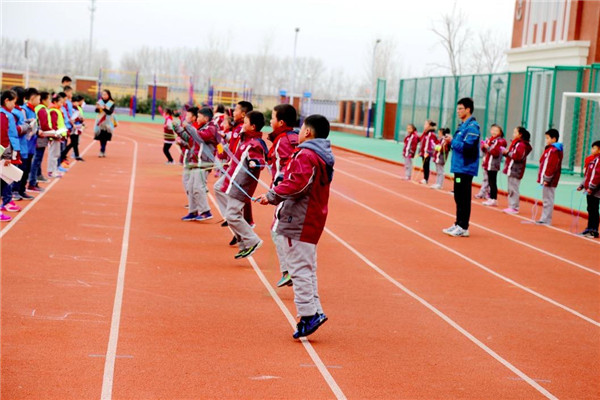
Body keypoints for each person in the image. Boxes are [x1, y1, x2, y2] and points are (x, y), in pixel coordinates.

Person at [257, 114, 334, 339]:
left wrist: (272, 195)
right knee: (307, 269)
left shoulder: (307, 155)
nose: (298, 133)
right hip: (310, 217)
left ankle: (308, 315)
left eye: (301, 129)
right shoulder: (320, 155)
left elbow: (297, 184)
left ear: (308, 132)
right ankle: (315, 311)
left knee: (299, 269)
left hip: (299, 219)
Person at [218, 110, 267, 259]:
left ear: (252, 127)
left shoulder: (254, 144)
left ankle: (252, 240)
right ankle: (244, 244)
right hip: (235, 182)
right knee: (232, 214)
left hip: (242, 185)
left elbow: (260, 161)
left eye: (245, 123)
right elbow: (239, 158)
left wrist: (255, 163)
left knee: (231, 215)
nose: (242, 125)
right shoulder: (245, 140)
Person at [266, 104, 299, 288]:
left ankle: (289, 271)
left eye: (271, 117)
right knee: (283, 230)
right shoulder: (291, 138)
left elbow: (289, 164)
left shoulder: (283, 141)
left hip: (284, 191)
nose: (269, 121)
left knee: (277, 230)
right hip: (286, 190)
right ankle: (291, 270)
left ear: (280, 122)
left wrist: (278, 186)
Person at [443, 97, 481, 237]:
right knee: (458, 195)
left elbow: (468, 147)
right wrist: (449, 142)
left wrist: (452, 142)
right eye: (457, 108)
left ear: (468, 109)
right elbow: (457, 146)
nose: (458, 111)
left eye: (460, 109)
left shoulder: (472, 127)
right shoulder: (461, 127)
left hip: (466, 168)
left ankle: (464, 226)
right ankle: (458, 223)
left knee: (464, 197)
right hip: (458, 168)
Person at [175, 107, 218, 222]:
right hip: (196, 162)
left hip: (204, 163)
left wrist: (187, 126)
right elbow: (190, 139)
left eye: (199, 116)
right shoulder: (200, 128)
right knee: (191, 186)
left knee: (199, 187)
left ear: (206, 118)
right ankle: (193, 211)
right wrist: (178, 129)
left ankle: (205, 211)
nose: (197, 119)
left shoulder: (212, 128)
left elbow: (199, 136)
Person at [0, 90, 22, 217]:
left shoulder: (6, 114)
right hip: (3, 152)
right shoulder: (4, 116)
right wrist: (7, 156)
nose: (15, 105)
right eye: (13, 102)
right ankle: (6, 201)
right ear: (6, 100)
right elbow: (3, 137)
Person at [502, 126, 532, 214]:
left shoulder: (521, 144)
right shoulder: (516, 143)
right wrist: (506, 153)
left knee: (513, 188)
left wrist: (507, 153)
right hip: (511, 168)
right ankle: (511, 205)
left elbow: (518, 156)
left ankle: (514, 207)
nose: (513, 134)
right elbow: (513, 154)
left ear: (520, 134)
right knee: (511, 188)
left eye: (515, 132)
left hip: (516, 170)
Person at [536, 129, 563, 224]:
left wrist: (547, 178)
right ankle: (544, 218)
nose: (546, 140)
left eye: (548, 138)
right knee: (546, 199)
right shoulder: (549, 149)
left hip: (549, 180)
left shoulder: (554, 151)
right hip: (546, 178)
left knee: (548, 199)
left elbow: (552, 166)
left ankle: (546, 219)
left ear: (554, 139)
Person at [480, 124, 507, 207]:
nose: (494, 132)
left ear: (500, 132)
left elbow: (495, 152)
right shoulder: (491, 140)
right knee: (489, 181)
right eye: (493, 130)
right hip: (488, 163)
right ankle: (489, 197)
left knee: (492, 182)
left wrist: (487, 147)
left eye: (496, 130)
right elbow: (485, 150)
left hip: (493, 164)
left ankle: (492, 198)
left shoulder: (499, 141)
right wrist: (484, 146)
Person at [577, 140, 600, 238]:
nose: (592, 150)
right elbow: (587, 175)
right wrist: (582, 185)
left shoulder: (598, 161)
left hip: (595, 191)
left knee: (594, 209)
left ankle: (593, 230)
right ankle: (589, 228)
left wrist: (591, 187)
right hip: (590, 190)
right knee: (590, 208)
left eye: (594, 148)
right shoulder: (592, 160)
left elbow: (597, 175)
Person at [46, 93, 68, 178]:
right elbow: (54, 124)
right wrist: (56, 134)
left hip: (58, 135)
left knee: (56, 154)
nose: (62, 104)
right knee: (53, 154)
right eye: (60, 102)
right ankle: (51, 171)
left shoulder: (57, 110)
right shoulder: (53, 111)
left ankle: (54, 169)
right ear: (55, 102)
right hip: (55, 136)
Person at [60, 94, 85, 163]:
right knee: (74, 142)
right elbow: (71, 118)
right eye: (76, 102)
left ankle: (75, 155)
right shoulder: (71, 109)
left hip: (77, 127)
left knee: (75, 142)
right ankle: (63, 154)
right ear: (73, 102)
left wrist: (81, 119)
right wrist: (76, 119)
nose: (78, 103)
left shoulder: (78, 108)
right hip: (73, 127)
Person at [94, 89, 116, 157]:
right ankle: (102, 150)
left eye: (105, 94)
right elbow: (96, 110)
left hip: (108, 122)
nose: (104, 96)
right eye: (103, 94)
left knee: (105, 137)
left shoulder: (111, 102)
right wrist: (97, 108)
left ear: (109, 95)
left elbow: (110, 112)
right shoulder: (100, 102)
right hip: (100, 121)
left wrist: (103, 108)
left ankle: (103, 150)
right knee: (101, 136)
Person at [419, 120, 437, 184]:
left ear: (429, 126)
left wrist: (429, 152)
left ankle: (426, 179)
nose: (424, 126)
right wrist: (421, 151)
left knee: (426, 165)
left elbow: (432, 144)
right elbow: (421, 140)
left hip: (427, 153)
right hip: (423, 152)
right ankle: (425, 178)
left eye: (425, 124)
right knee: (424, 165)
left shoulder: (431, 134)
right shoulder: (425, 133)